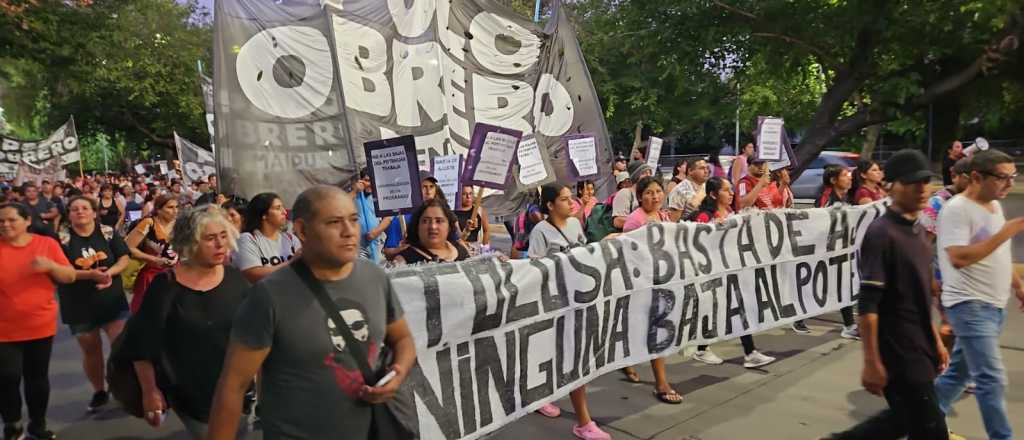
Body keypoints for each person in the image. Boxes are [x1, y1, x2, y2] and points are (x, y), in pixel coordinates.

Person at [208, 186, 417, 440]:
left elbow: (403, 339)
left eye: (353, 219)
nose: (349, 231)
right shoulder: (269, 296)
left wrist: (397, 373)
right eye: (334, 222)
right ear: (302, 231)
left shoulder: (374, 276)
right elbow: (233, 385)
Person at [823, 149, 951, 440]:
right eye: (911, 183)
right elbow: (868, 304)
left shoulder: (918, 232)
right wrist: (871, 361)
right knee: (931, 430)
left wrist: (935, 340)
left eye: (925, 181)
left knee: (901, 422)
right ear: (890, 186)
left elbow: (918, 299)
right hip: (898, 352)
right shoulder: (882, 234)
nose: (921, 189)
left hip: (920, 349)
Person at [123, 206, 251, 438]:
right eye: (210, 238)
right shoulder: (165, 287)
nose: (220, 244)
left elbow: (253, 335)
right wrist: (149, 390)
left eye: (224, 236)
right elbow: (141, 344)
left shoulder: (236, 280)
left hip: (239, 391)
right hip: (193, 395)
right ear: (188, 242)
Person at [934, 150, 1024, 440]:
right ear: (976, 177)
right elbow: (958, 257)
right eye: (1003, 178)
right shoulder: (957, 209)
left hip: (994, 305)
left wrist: (1018, 285)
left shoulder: (994, 207)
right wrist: (1006, 232)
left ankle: (916, 424)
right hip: (969, 305)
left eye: (1013, 177)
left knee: (956, 377)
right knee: (991, 378)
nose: (1009, 184)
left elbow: (997, 252)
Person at [528, 183, 611, 440]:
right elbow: (535, 269)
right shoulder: (540, 231)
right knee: (566, 356)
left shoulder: (575, 225)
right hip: (555, 303)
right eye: (564, 199)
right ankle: (583, 422)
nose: (570, 202)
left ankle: (546, 397)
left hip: (578, 298)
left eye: (570, 198)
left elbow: (584, 252)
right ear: (550, 205)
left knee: (572, 356)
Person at [0, 202, 76, 440]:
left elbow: (70, 276)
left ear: (27, 221)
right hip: (3, 327)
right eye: (1, 221)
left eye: (11, 219)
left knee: (37, 379)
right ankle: (12, 424)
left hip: (38, 324)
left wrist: (50, 265)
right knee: (7, 376)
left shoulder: (46, 244)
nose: (5, 225)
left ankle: (37, 424)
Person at [687, 177, 777, 368]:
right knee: (713, 310)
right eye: (726, 190)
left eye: (731, 190)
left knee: (739, 306)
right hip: (710, 273)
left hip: (730, 270)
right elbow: (695, 241)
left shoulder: (730, 212)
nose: (731, 194)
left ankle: (749, 352)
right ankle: (702, 349)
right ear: (713, 194)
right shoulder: (704, 216)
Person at [57, 196, 132, 413]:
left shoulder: (107, 232)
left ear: (93, 212)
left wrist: (109, 273)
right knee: (91, 350)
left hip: (112, 300)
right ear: (69, 214)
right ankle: (99, 390)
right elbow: (60, 270)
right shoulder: (62, 239)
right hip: (78, 303)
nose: (80, 212)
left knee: (120, 346)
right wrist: (88, 275)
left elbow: (124, 257)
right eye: (74, 209)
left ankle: (124, 389)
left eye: (84, 208)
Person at [616, 177, 683, 404]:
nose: (654, 197)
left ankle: (631, 362)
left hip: (661, 282)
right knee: (651, 330)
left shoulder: (663, 216)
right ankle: (660, 383)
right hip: (642, 285)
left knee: (654, 330)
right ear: (639, 197)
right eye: (649, 193)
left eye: (657, 192)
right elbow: (628, 256)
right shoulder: (634, 221)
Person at [795, 165, 858, 337]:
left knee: (842, 284)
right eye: (845, 175)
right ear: (833, 180)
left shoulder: (844, 197)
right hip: (824, 251)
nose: (849, 178)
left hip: (837, 250)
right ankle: (799, 317)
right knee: (821, 285)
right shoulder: (827, 198)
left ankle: (849, 325)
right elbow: (821, 223)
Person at [126, 194, 180, 313]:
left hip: (176, 274)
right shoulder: (149, 223)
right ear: (159, 209)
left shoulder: (179, 224)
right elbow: (129, 247)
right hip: (151, 276)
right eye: (170, 207)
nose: (175, 211)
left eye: (177, 207)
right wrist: (154, 259)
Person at [234, 192, 301, 283]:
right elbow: (253, 274)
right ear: (264, 214)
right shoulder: (247, 239)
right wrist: (291, 263)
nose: (284, 212)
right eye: (278, 208)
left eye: (283, 207)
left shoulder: (291, 238)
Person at [393, 198, 471, 265]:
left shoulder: (461, 249)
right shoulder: (404, 260)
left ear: (449, 226)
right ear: (417, 226)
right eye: (425, 221)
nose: (433, 226)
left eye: (439, 221)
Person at [352, 170, 388, 263]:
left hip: (376, 244)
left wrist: (377, 231)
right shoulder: (354, 196)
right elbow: (341, 205)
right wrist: (354, 192)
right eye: (367, 180)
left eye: (373, 181)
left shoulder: (380, 196)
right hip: (358, 247)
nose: (370, 184)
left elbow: (389, 217)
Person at [612, 161, 653, 230]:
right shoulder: (624, 193)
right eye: (644, 173)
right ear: (635, 176)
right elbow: (617, 221)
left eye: (649, 173)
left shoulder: (652, 193)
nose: (648, 176)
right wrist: (643, 222)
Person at [666, 157, 709, 222]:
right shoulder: (679, 191)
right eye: (702, 168)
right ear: (690, 171)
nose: (706, 171)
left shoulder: (707, 186)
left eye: (707, 168)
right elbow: (673, 221)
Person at [455, 184, 491, 249]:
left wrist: (484, 247)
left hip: (476, 248)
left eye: (470, 193)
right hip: (460, 248)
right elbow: (458, 237)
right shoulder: (454, 212)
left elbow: (487, 231)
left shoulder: (479, 210)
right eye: (464, 194)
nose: (468, 197)